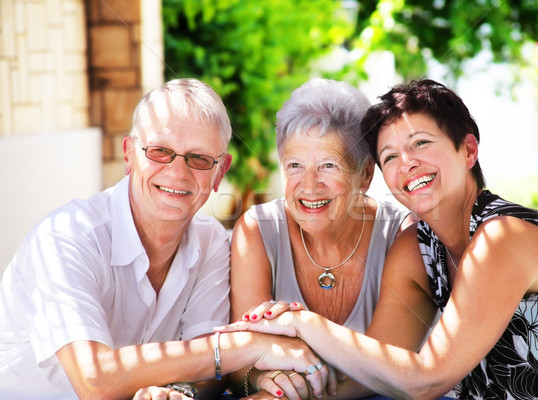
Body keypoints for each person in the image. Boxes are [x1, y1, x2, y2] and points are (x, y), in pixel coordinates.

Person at [217, 79, 538, 399]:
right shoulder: (417, 246)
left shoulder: (502, 237)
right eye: (390, 156)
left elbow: (425, 379)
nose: (407, 163)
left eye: (420, 144)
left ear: (467, 150)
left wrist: (302, 324)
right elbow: (382, 368)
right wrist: (286, 392)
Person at [0, 78, 330, 400]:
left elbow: (207, 371)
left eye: (199, 159)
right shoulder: (66, 236)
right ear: (129, 154)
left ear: (220, 172)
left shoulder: (211, 241)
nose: (177, 172)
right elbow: (94, 380)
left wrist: (178, 392)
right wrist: (244, 346)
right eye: (159, 151)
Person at [229, 78, 415, 399]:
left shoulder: (402, 235)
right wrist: (264, 379)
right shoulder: (257, 230)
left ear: (366, 174)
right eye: (295, 166)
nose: (309, 185)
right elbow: (239, 359)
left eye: (329, 165)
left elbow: (385, 371)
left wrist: (295, 394)